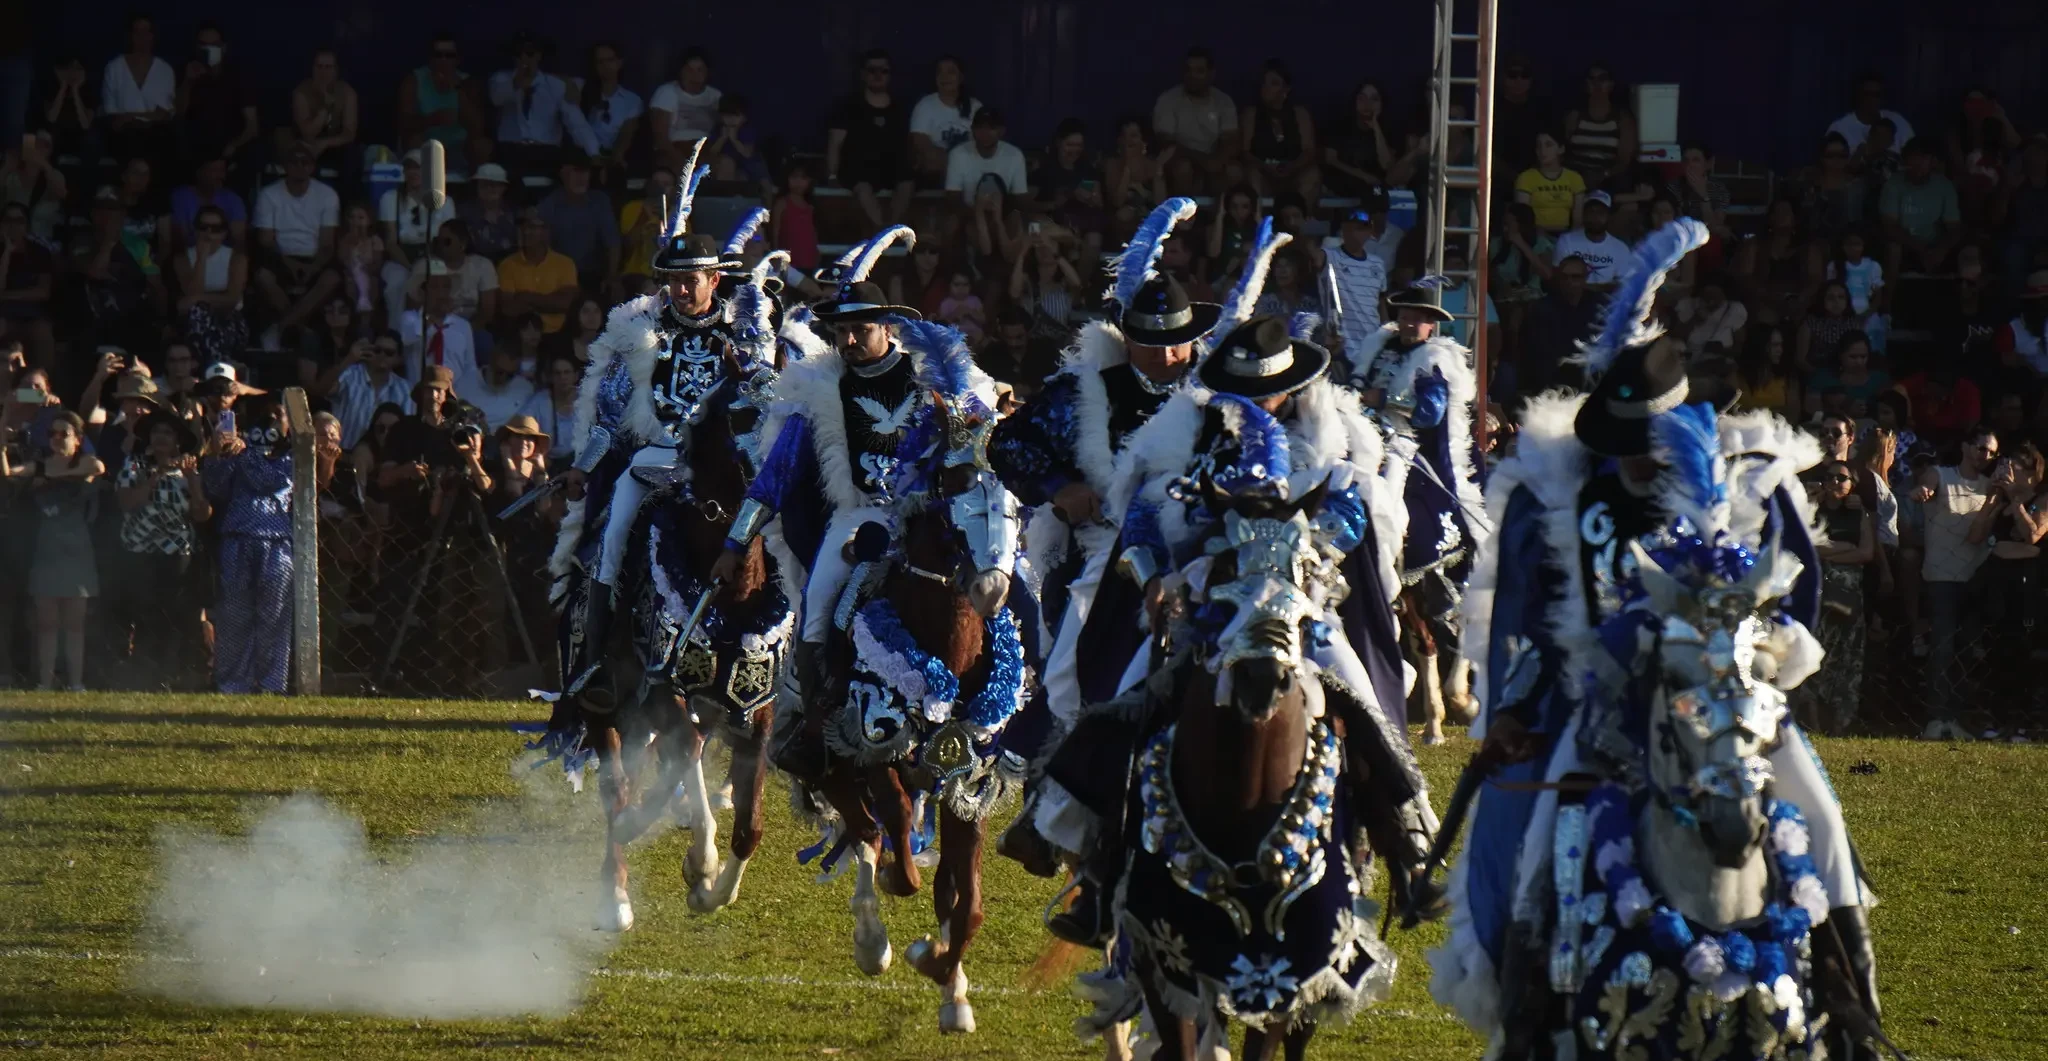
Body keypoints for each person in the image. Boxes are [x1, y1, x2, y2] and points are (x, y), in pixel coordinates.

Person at [1433, 219, 1886, 1060]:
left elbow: (1797, 598)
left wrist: (1758, 657)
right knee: (1539, 838)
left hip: (1728, 701)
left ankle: (1855, 1001)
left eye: (1646, 446)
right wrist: (1518, 705)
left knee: (1821, 817)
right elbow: (1538, 619)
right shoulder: (1569, 498)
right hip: (1605, 703)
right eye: (1621, 446)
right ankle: (1528, 1010)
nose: (1634, 462)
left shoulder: (1748, 488)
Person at [1044, 312, 1439, 941]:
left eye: (1269, 391)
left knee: (1360, 693)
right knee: (1126, 694)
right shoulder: (1185, 436)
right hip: (1205, 604)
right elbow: (1143, 516)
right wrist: (1152, 578)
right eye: (1245, 391)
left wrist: (1301, 543)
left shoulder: (1329, 440)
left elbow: (1349, 516)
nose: (1257, 402)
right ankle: (1093, 863)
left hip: (1301, 608)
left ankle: (1409, 845)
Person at [989, 199, 1215, 801]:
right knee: (1072, 668)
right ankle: (1050, 783)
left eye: (1177, 343)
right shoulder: (1085, 391)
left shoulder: (1218, 395)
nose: (1166, 356)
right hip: (1099, 550)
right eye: (1151, 342)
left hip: (1203, 554)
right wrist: (1058, 487)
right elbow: (1008, 443)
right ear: (1127, 337)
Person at [713, 228, 957, 775]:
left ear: (888, 328)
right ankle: (816, 726)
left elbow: (976, 431)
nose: (849, 341)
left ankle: (1014, 708)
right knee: (817, 607)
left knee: (1002, 582)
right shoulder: (817, 390)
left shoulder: (932, 379)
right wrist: (734, 542)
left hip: (930, 514)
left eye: (860, 330)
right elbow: (773, 479)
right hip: (859, 515)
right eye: (841, 332)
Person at [553, 189, 755, 695]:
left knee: (777, 545)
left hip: (722, 472)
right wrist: (583, 467)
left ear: (715, 280)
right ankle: (594, 661)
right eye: (674, 281)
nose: (681, 290)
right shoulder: (641, 337)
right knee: (612, 538)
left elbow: (762, 413)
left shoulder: (744, 339)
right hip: (653, 459)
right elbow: (609, 418)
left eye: (691, 280)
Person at [1349, 279, 1487, 640]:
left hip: (1402, 442)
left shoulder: (1433, 360)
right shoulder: (1377, 345)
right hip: (1359, 430)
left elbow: (1429, 413)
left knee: (1387, 498)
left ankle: (1388, 572)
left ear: (1431, 325)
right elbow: (1355, 385)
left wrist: (1385, 401)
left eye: (1419, 318)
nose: (1410, 323)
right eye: (1406, 315)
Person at [2, 410, 102, 690]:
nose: (57, 438)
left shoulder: (85, 462)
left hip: (77, 550)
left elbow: (98, 468)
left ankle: (76, 683)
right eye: (52, 433)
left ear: (78, 438)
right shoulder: (40, 465)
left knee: (74, 624)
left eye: (64, 433)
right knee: (46, 623)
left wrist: (53, 478)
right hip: (47, 549)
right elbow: (8, 474)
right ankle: (45, 683)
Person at [111, 409, 210, 689]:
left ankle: (173, 675)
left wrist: (193, 482)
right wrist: (155, 476)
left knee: (176, 615)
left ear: (178, 440)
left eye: (168, 433)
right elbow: (127, 502)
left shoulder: (188, 470)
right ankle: (144, 676)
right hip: (140, 551)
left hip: (177, 553)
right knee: (144, 613)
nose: (161, 437)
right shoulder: (134, 465)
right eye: (156, 432)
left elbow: (202, 514)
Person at [1914, 423, 1996, 739]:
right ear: (1965, 447)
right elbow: (1926, 486)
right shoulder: (1941, 474)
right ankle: (1935, 718)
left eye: (1991, 452)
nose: (1985, 455)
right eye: (1980, 448)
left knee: (1966, 651)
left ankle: (1956, 719)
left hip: (1975, 577)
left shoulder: (1991, 486)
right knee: (1942, 649)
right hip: (1942, 576)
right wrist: (1922, 491)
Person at [253, 143, 342, 337]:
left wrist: (314, 267)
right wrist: (290, 264)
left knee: (331, 278)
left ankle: (280, 329)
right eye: (294, 162)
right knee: (263, 276)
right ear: (285, 166)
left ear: (312, 167)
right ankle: (301, 330)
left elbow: (327, 243)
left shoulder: (327, 195)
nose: (300, 166)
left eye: (305, 162)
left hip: (314, 257)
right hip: (280, 256)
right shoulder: (268, 194)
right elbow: (266, 241)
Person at [488, 32, 599, 185]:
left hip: (547, 151)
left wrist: (594, 153)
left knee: (570, 172)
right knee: (506, 178)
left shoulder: (556, 85)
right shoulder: (501, 78)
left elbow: (576, 123)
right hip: (511, 149)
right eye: (518, 54)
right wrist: (518, 81)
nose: (524, 58)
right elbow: (497, 98)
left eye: (529, 53)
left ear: (538, 56)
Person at [826, 49, 915, 231]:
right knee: (863, 185)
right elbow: (835, 144)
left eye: (883, 71)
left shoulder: (901, 108)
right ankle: (880, 233)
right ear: (863, 74)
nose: (878, 75)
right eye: (872, 70)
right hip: (858, 170)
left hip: (891, 168)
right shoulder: (848, 106)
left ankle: (892, 231)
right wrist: (832, 175)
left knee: (907, 181)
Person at [377, 149, 456, 331]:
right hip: (400, 257)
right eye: (409, 168)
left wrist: (429, 265)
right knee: (397, 282)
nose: (414, 172)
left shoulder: (446, 201)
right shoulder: (390, 198)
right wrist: (412, 268)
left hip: (434, 256)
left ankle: (438, 330)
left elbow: (447, 240)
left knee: (438, 282)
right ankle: (396, 332)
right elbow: (391, 243)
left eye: (419, 168)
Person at [176, 21, 260, 176]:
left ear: (224, 47)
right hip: (196, 150)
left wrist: (233, 146)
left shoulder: (239, 76)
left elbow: (252, 127)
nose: (208, 49)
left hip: (230, 149)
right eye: (204, 45)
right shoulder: (187, 72)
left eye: (214, 45)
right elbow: (178, 113)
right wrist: (188, 82)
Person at [1152, 46, 1238, 196]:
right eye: (1188, 70)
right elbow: (1166, 143)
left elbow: (1230, 140)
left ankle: (1223, 211)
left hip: (1213, 161)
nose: (1192, 76)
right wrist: (1203, 161)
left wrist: (1217, 161)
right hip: (1182, 159)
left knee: (1233, 170)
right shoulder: (1168, 100)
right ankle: (1183, 211)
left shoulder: (1223, 101)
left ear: (1211, 74)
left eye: (1199, 71)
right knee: (1183, 168)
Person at [397, 32, 485, 169]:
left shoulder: (468, 83)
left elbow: (478, 128)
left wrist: (458, 90)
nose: (443, 60)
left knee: (482, 145)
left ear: (457, 59)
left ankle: (476, 181)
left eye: (449, 55)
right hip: (426, 144)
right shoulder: (414, 80)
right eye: (438, 55)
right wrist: (432, 120)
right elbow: (403, 123)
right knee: (414, 139)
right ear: (430, 59)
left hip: (460, 147)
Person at [174, 204, 249, 362]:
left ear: (224, 233)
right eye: (203, 227)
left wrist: (197, 299)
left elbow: (232, 299)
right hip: (193, 322)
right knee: (198, 314)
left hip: (229, 319)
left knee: (199, 311)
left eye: (216, 229)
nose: (208, 234)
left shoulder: (236, 258)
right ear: (196, 230)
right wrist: (201, 258)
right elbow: (191, 293)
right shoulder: (183, 258)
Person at [315, 330, 415, 448]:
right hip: (343, 452)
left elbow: (407, 431)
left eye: (389, 353)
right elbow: (322, 389)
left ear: (398, 359)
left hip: (384, 457)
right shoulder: (350, 374)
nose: (382, 355)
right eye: (377, 350)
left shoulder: (405, 389)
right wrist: (349, 359)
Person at [100, 14, 176, 169]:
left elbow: (164, 115)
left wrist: (131, 116)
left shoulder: (165, 70)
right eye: (137, 32)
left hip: (156, 135)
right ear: (130, 36)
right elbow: (113, 118)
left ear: (153, 36)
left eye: (146, 32)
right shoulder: (114, 68)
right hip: (124, 136)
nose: (142, 37)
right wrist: (146, 116)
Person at [536, 152, 619, 292]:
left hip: (594, 274)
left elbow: (613, 243)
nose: (581, 178)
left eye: (584, 172)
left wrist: (612, 276)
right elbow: (543, 247)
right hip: (559, 274)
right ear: (563, 174)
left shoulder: (600, 201)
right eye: (575, 171)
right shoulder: (548, 205)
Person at [1239, 59, 1319, 202]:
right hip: (1264, 175)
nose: (1267, 87)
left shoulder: (1300, 114)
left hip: (1293, 175)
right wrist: (1266, 167)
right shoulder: (1251, 114)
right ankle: (1257, 216)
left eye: (1274, 83)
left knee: (1312, 175)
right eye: (1264, 83)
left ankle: (1300, 216)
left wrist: (1292, 167)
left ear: (1286, 89)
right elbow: (1245, 152)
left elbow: (1309, 151)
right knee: (1251, 175)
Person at [1881, 137, 1963, 276]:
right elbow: (1890, 227)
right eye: (1913, 157)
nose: (1917, 163)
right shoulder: (1893, 184)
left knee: (1969, 251)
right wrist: (1922, 250)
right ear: (1905, 160)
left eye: (1923, 158)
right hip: (1906, 246)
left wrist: (1941, 250)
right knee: (1893, 248)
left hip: (1936, 246)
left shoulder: (1944, 185)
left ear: (1933, 161)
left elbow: (1954, 227)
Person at [1324, 80, 1418, 197]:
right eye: (1362, 98)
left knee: (1382, 192)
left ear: (1382, 104)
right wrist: (1362, 175)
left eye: (1374, 99)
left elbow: (1387, 165)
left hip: (1377, 188)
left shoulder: (1390, 130)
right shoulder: (1340, 126)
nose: (1367, 104)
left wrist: (1376, 128)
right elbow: (1330, 159)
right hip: (1346, 181)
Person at [402, 261, 482, 398]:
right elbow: (407, 339)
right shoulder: (410, 319)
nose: (442, 294)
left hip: (455, 398)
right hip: (418, 398)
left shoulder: (462, 326)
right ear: (422, 292)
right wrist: (432, 316)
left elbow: (470, 367)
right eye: (435, 287)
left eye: (445, 287)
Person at [497, 209, 581, 332]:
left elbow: (565, 304)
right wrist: (550, 302)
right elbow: (509, 309)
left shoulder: (565, 264)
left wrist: (526, 297)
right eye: (521, 227)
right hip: (521, 335)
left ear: (546, 232)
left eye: (531, 227)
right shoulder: (507, 265)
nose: (525, 232)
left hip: (558, 333)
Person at [405, 218, 498, 329]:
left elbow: (487, 312)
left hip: (472, 327)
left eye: (447, 242)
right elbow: (413, 308)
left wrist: (464, 330)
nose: (441, 245)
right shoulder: (425, 266)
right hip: (432, 326)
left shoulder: (482, 265)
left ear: (462, 244)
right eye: (438, 241)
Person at [283, 47, 359, 181]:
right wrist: (325, 107)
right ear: (312, 69)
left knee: (353, 157)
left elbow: (349, 133)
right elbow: (308, 134)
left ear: (336, 70)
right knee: (304, 157)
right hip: (307, 144)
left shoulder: (347, 92)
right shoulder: (301, 93)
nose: (323, 72)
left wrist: (325, 143)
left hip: (335, 144)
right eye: (319, 66)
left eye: (328, 67)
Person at [1327, 205, 1390, 365]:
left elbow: (1381, 303)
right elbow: (1312, 255)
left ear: (1369, 232)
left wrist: (1386, 333)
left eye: (1363, 228)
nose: (1358, 233)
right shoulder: (1330, 256)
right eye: (1353, 228)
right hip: (1342, 348)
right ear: (1343, 230)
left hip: (1372, 345)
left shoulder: (1378, 263)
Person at [1558, 62, 1635, 191]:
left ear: (1611, 85)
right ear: (1586, 85)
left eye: (1602, 79)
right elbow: (1561, 152)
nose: (1597, 84)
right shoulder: (1574, 117)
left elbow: (1624, 161)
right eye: (1592, 79)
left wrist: (1604, 175)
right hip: (1574, 179)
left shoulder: (1623, 119)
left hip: (1609, 180)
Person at [578, 41, 642, 183]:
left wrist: (614, 158)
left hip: (614, 155)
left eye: (610, 60)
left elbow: (627, 133)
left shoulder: (632, 100)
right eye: (600, 62)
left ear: (619, 62)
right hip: (584, 156)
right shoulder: (581, 91)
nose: (605, 66)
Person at [908, 55, 980, 184]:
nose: (944, 76)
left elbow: (984, 143)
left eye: (951, 72)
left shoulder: (975, 106)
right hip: (937, 173)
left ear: (961, 77)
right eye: (939, 72)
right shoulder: (925, 105)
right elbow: (920, 144)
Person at [647, 46, 720, 168]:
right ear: (681, 71)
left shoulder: (715, 96)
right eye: (689, 70)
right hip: (674, 148)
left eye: (700, 70)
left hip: (706, 150)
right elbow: (661, 138)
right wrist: (683, 163)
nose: (694, 75)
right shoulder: (667, 92)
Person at [945, 107, 1028, 210]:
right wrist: (978, 216)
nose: (985, 133)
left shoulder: (1015, 155)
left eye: (991, 128)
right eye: (980, 127)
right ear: (972, 129)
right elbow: (953, 198)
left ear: (1001, 131)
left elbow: (1020, 197)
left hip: (1003, 213)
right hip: (968, 213)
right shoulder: (958, 154)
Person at [1550, 189, 1632, 289]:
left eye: (1600, 212)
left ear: (1609, 216)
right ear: (1584, 214)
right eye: (1591, 211)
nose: (1595, 216)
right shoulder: (1566, 241)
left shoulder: (1621, 249)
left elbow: (1621, 286)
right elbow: (1557, 278)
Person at [167, 154, 247, 252]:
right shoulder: (181, 197)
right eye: (214, 170)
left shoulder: (233, 199)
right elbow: (179, 243)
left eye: (222, 170)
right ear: (199, 172)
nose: (220, 176)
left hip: (224, 257)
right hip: (190, 256)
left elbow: (239, 242)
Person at [1513, 130, 1585, 236]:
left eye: (1548, 145)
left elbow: (1578, 220)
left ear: (1561, 149)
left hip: (1565, 236)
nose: (1543, 150)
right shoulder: (1526, 178)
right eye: (1539, 146)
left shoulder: (1574, 178)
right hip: (1535, 236)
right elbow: (1523, 218)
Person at [519, 351, 582, 469]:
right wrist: (537, 452)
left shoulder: (587, 399)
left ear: (576, 376)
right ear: (551, 377)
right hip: (549, 463)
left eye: (567, 372)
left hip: (581, 463)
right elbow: (521, 425)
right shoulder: (539, 400)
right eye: (557, 373)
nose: (562, 377)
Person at [464, 332, 536, 433]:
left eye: (510, 375)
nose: (503, 378)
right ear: (491, 361)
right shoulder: (465, 383)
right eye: (499, 372)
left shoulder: (526, 390)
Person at [1827, 72, 1916, 153]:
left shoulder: (1899, 122)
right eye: (1866, 94)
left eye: (1876, 95)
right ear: (1857, 95)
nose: (1871, 99)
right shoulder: (1839, 128)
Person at [1672, 272, 1748, 356]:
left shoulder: (1734, 309)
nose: (1712, 301)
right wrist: (1694, 319)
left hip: (1720, 359)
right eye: (1708, 295)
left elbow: (1739, 347)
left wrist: (1722, 350)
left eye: (1716, 296)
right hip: (1690, 357)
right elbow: (1675, 336)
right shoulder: (1687, 304)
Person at [769, 161, 819, 273]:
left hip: (809, 258)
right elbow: (775, 232)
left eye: (803, 178)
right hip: (788, 260)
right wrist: (776, 256)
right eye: (794, 177)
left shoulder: (811, 206)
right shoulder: (782, 203)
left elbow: (813, 233)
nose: (798, 182)